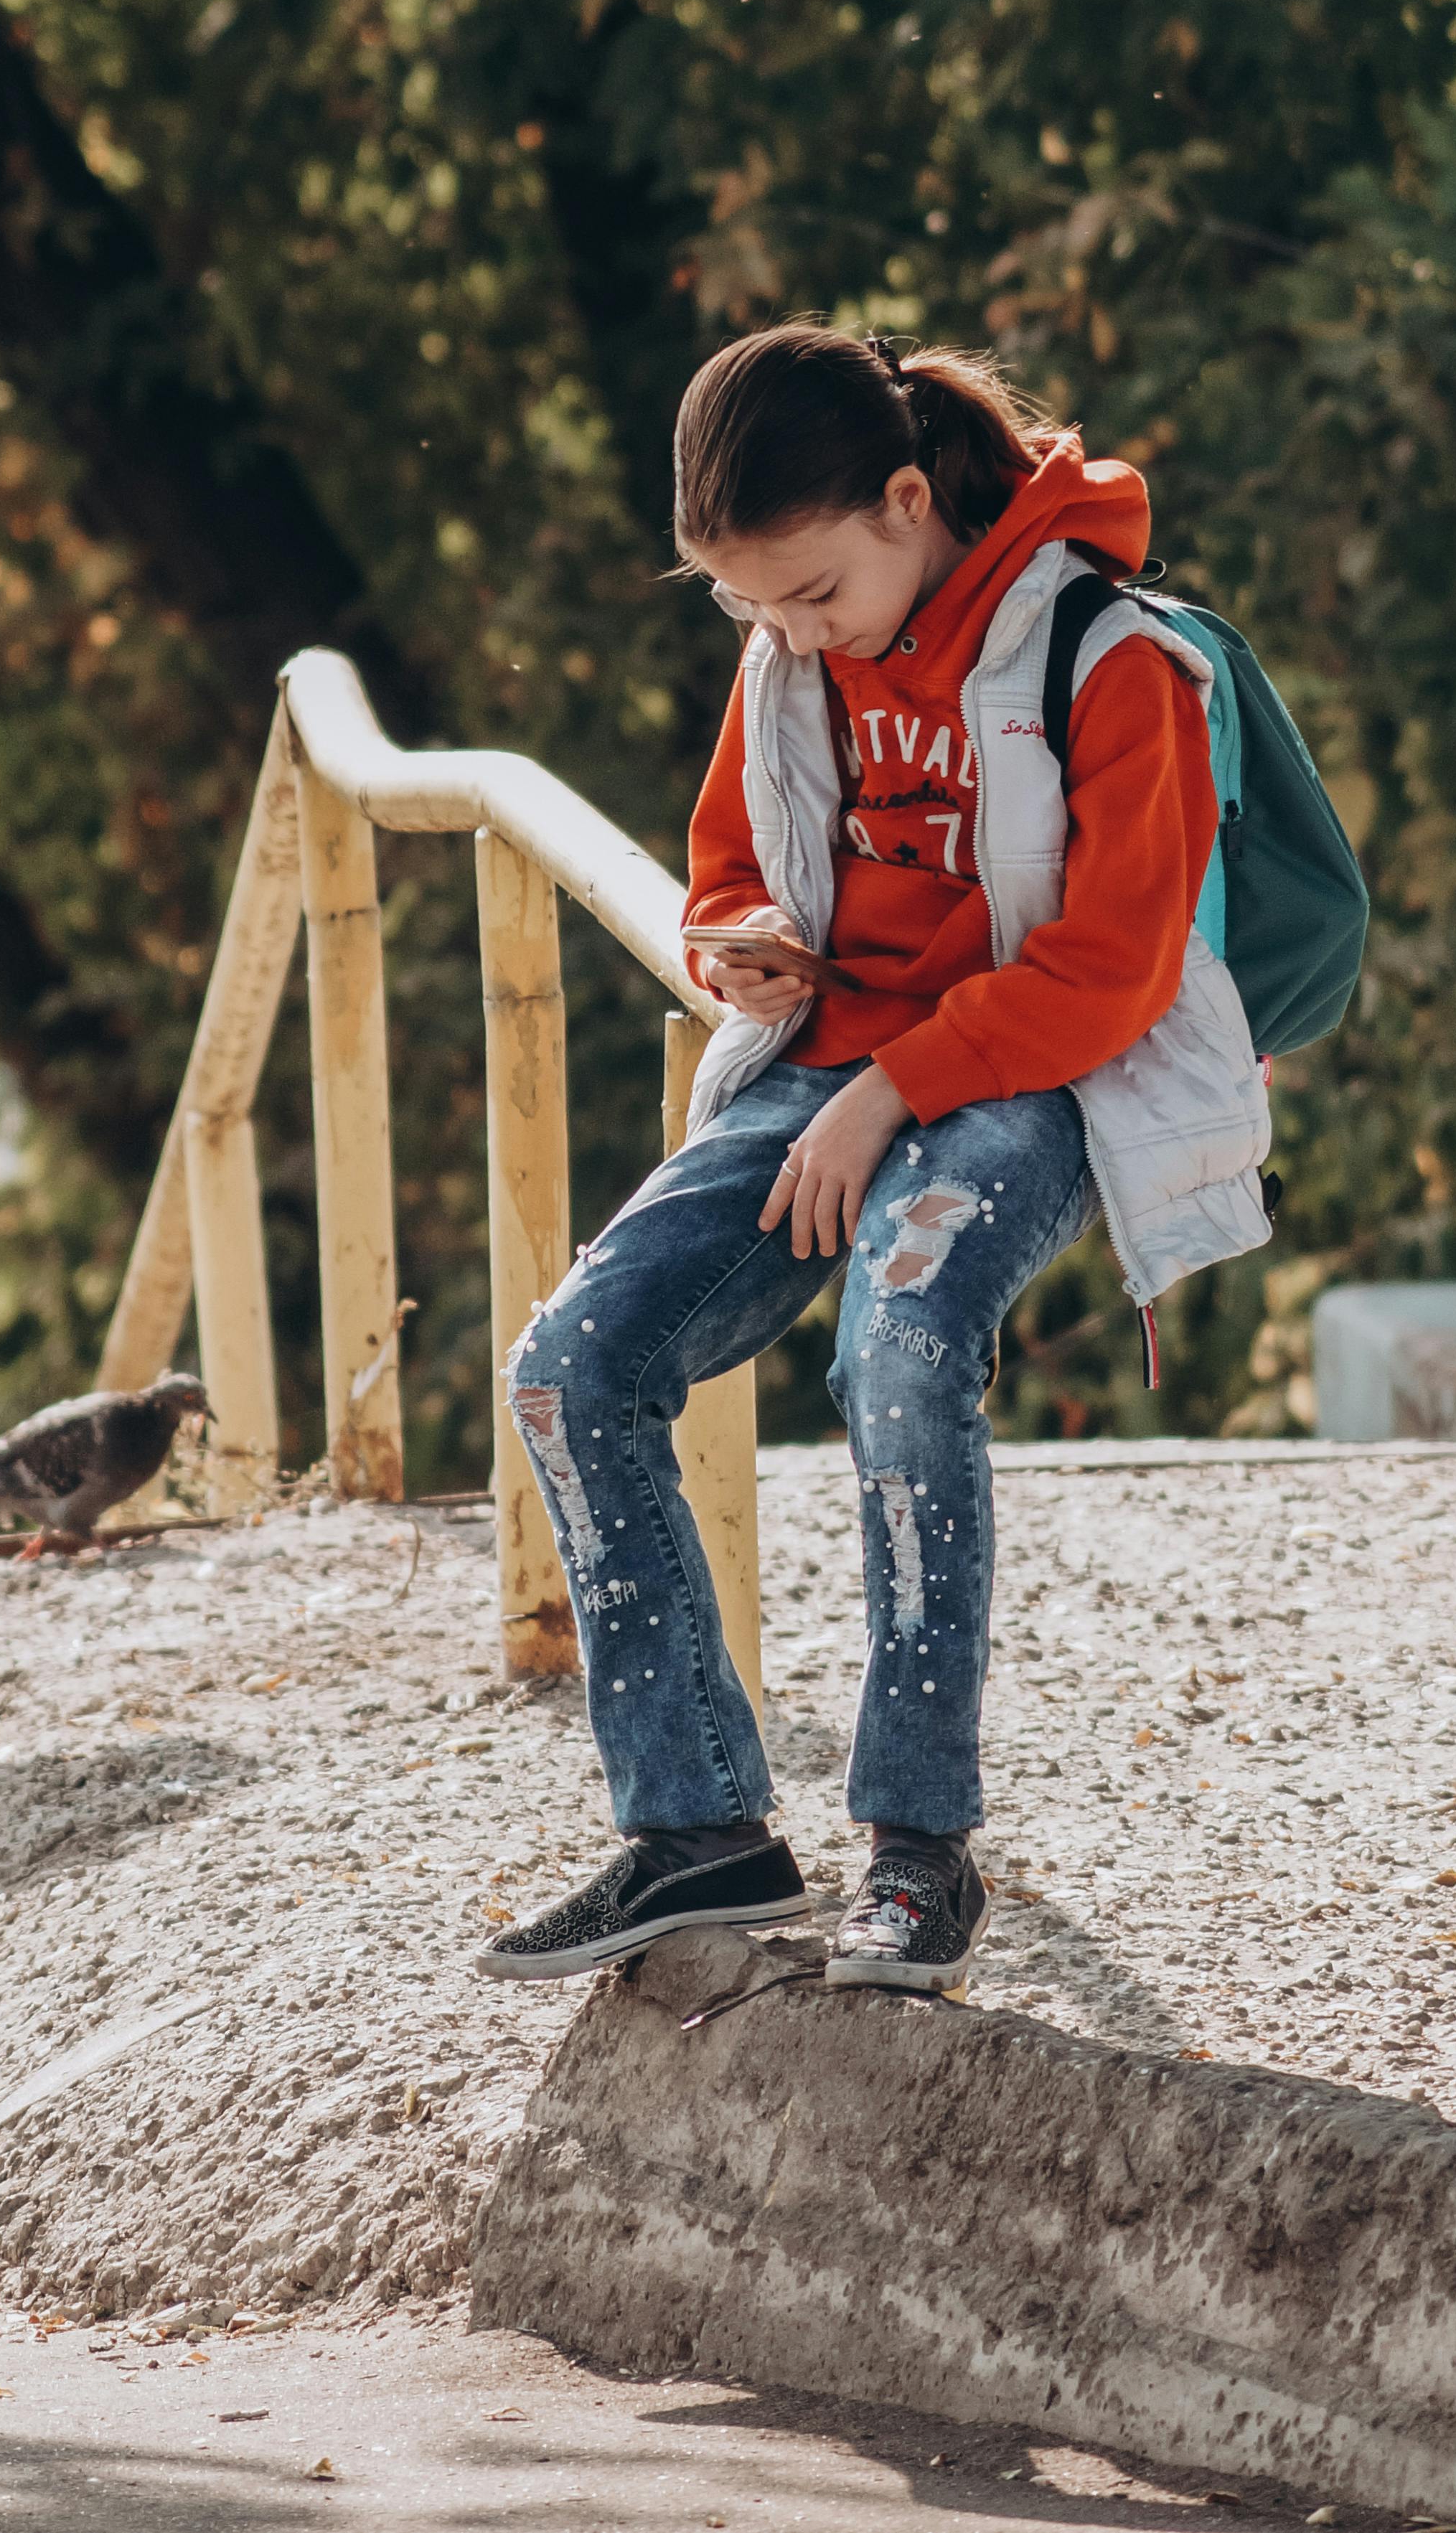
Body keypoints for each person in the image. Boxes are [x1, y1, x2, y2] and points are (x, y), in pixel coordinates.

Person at [479, 323, 1274, 1995]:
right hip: (830, 1060)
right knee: (566, 1367)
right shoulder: (793, 645)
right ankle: (700, 1830)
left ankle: (919, 1848)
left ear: (910, 500)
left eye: (814, 596)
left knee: (901, 1348)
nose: (785, 636)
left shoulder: (1105, 654)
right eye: (746, 609)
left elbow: (1113, 968)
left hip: (1036, 1074)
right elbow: (724, 865)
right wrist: (740, 942)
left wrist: (891, 1089)